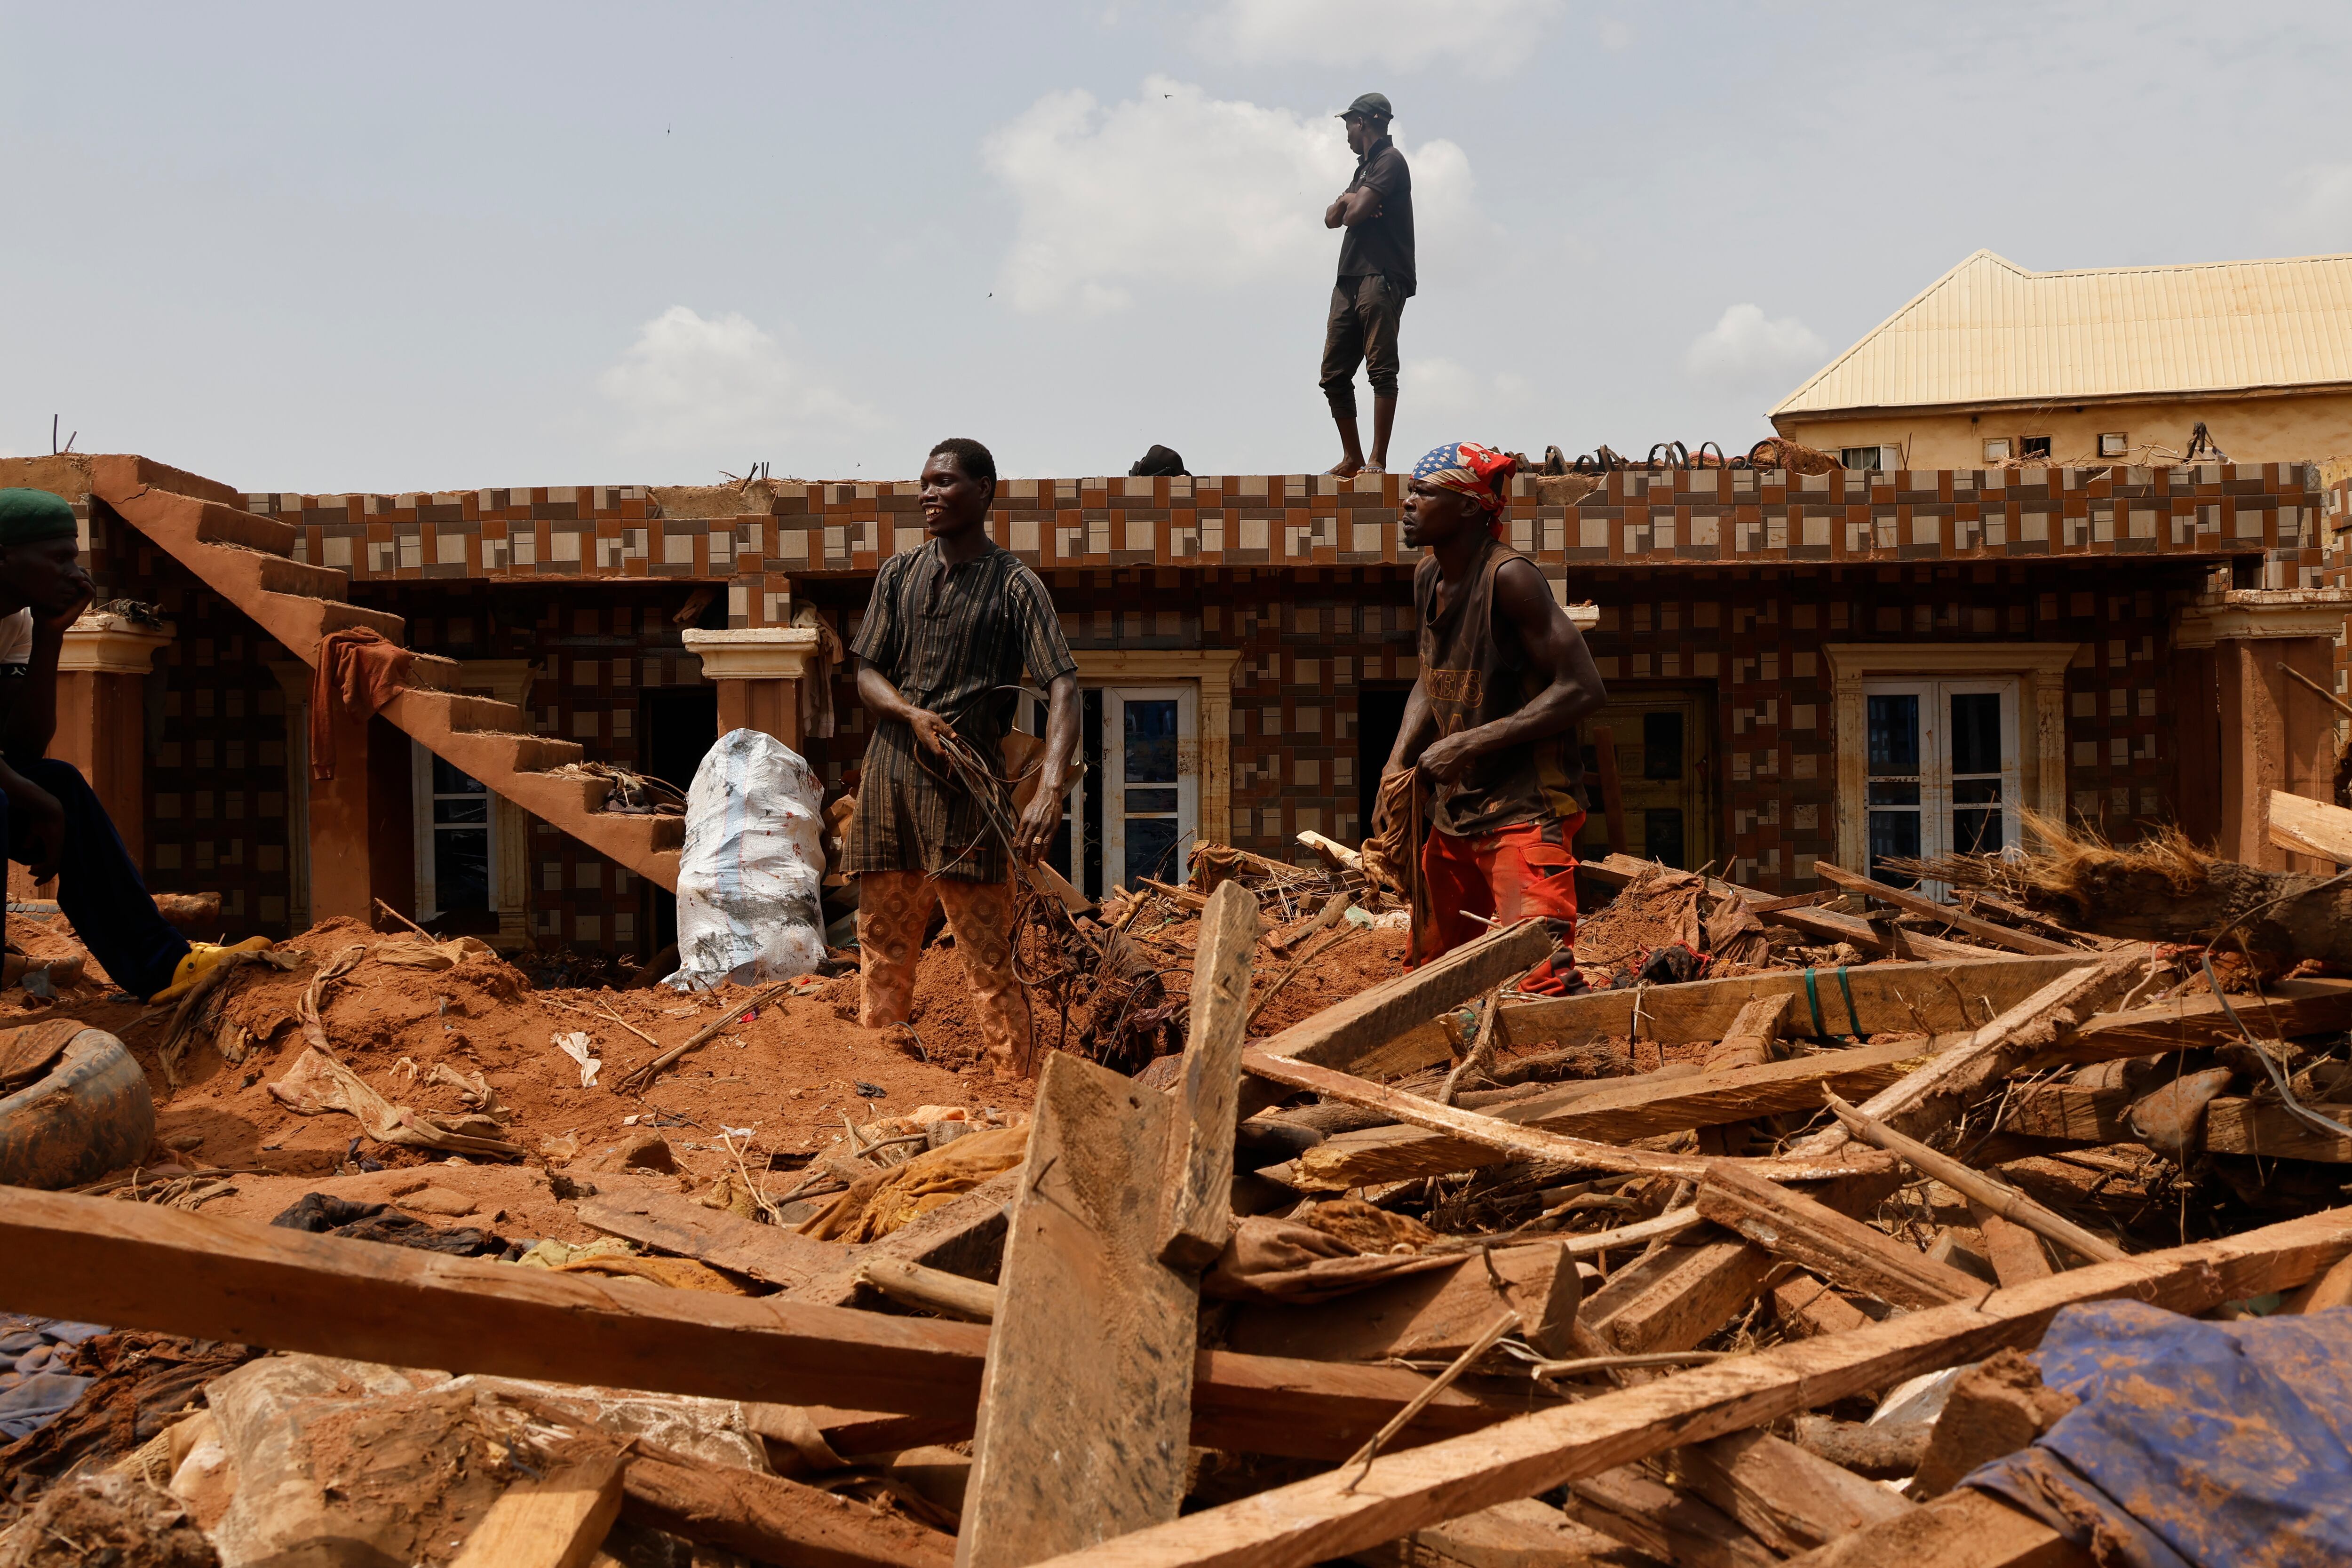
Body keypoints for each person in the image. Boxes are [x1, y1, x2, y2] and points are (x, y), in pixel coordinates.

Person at [847, 440, 1080, 1076]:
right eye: (923, 483)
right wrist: (908, 714)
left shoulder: (1014, 585)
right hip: (890, 785)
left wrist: (1050, 789)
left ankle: (1014, 1091)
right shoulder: (898, 575)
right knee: (883, 952)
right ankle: (882, 1090)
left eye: (944, 482)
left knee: (988, 960)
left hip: (966, 795)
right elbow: (866, 673)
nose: (928, 494)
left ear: (983, 491)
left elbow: (1063, 685)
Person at [0, 490, 267, 1002]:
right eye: (58, 558)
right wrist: (38, 803)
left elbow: (23, 748)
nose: (74, 573)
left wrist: (52, 636)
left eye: (74, 558)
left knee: (61, 783)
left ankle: (162, 966)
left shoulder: (17, 622)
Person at [1376, 444, 1606, 979]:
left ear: (1468, 506)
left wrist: (1467, 743)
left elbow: (1583, 688)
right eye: (1410, 491)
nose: (1408, 503)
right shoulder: (1428, 577)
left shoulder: (1510, 578)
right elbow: (1432, 673)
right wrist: (1397, 761)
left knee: (1539, 974)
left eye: (1423, 492)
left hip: (1526, 810)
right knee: (1426, 974)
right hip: (1458, 812)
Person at [1321, 92, 1414, 478]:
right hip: (1350, 278)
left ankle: (1377, 459)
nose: (1346, 134)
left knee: (1381, 369)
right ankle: (1353, 457)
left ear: (1362, 122)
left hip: (1382, 275)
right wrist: (1351, 196)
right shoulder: (1364, 170)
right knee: (1333, 374)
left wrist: (1353, 203)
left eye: (1348, 125)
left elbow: (1353, 215)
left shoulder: (1390, 161)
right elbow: (1332, 218)